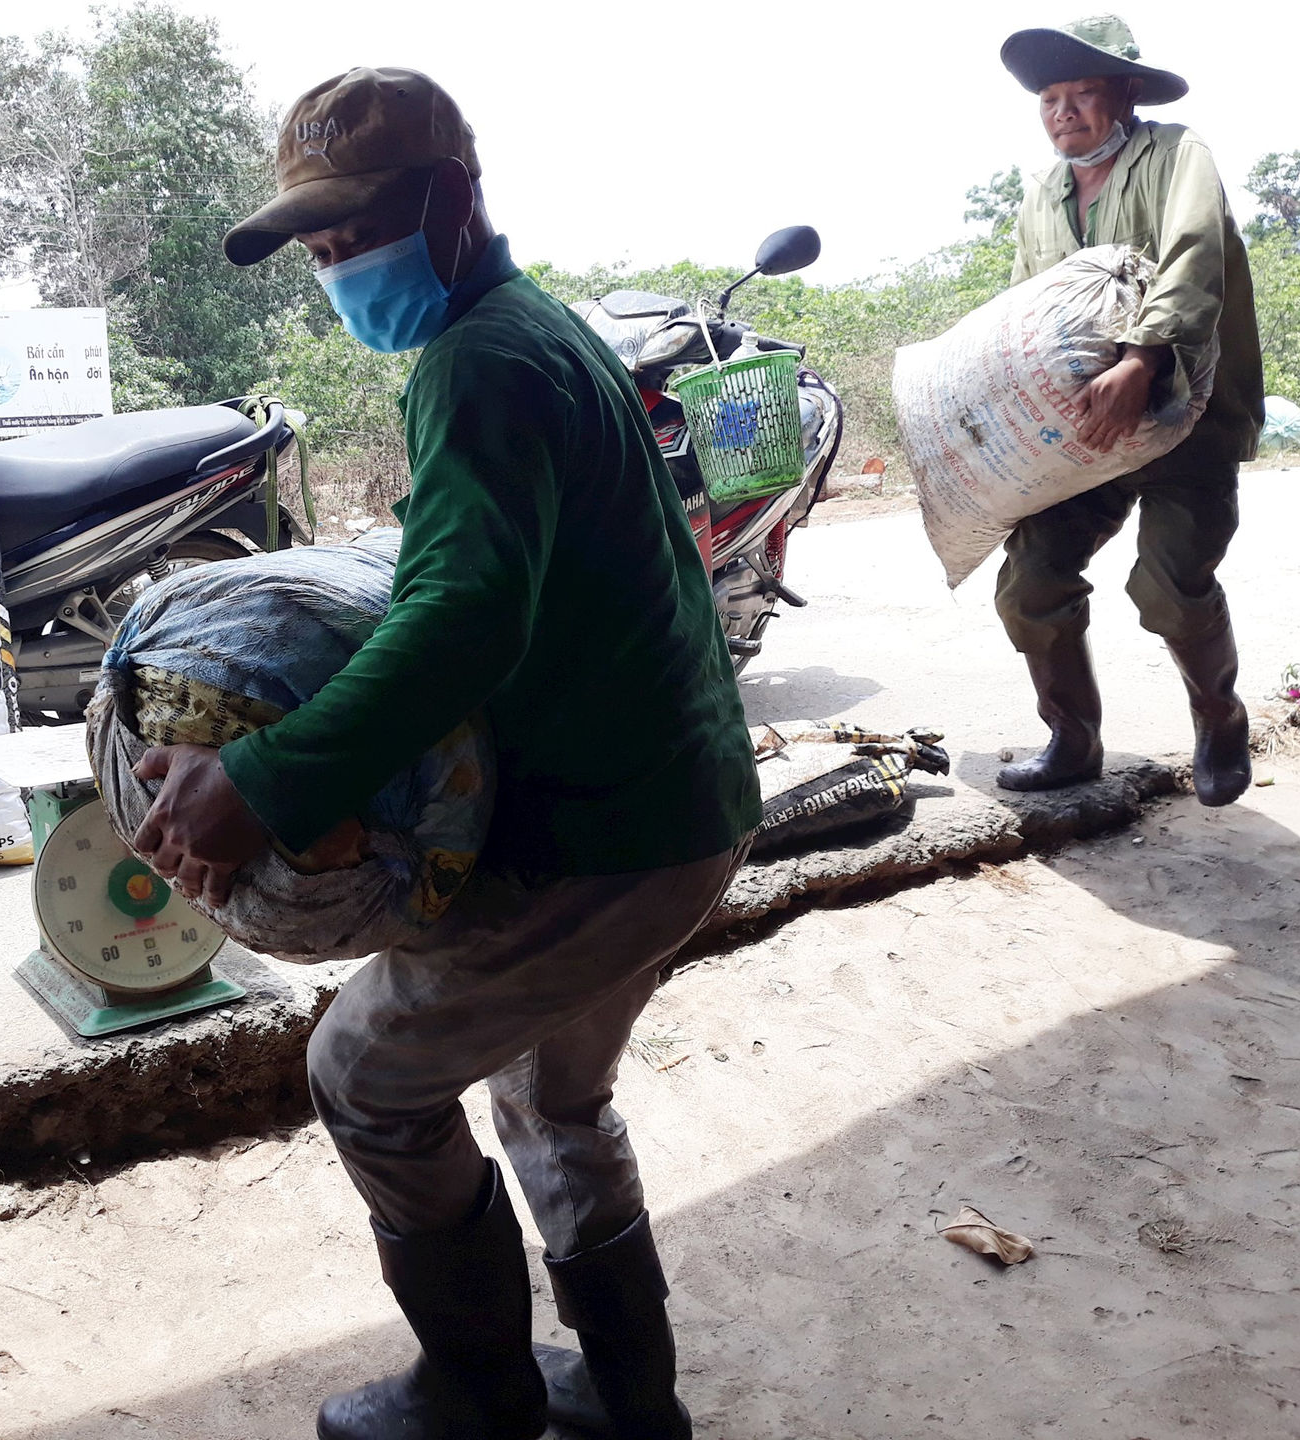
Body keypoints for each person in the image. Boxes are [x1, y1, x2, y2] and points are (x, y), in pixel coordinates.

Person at [130, 68, 759, 1440]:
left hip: (608, 837)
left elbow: (464, 616)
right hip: (681, 804)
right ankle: (633, 1402)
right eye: (321, 248)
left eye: (360, 232)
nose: (340, 264)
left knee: (364, 1073)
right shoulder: (534, 331)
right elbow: (469, 577)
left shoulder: (480, 359)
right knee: (553, 1095)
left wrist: (266, 778)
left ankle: (478, 1394)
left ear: (455, 200)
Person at [995, 15, 1264, 806]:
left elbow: (1194, 254)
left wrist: (1144, 358)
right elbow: (1027, 312)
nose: (1064, 111)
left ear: (1127, 95)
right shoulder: (1041, 197)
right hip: (1089, 432)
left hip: (1189, 410)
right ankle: (1072, 741)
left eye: (1083, 92)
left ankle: (1219, 715)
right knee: (1029, 581)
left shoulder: (1179, 154)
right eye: (1050, 97)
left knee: (1170, 586)